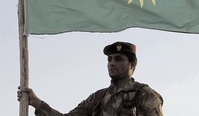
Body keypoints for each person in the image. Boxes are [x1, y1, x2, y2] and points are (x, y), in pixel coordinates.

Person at [18, 41, 164, 116]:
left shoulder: (145, 95)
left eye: (118, 59)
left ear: (132, 65)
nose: (112, 63)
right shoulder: (98, 98)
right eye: (110, 60)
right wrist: (36, 103)